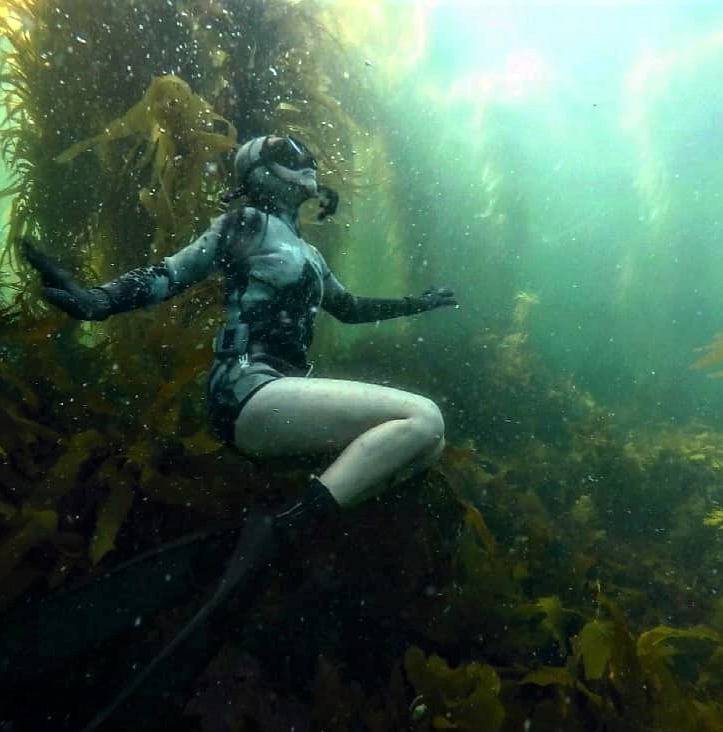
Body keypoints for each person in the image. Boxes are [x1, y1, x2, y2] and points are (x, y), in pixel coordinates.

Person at [24, 134, 457, 548]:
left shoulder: (311, 254)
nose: (305, 159)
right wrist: (95, 301)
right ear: (258, 170)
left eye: (303, 152)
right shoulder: (245, 223)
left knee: (427, 447)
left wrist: (416, 303)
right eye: (287, 151)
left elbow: (350, 308)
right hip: (245, 387)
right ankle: (283, 531)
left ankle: (273, 534)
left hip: (277, 397)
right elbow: (172, 273)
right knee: (425, 419)